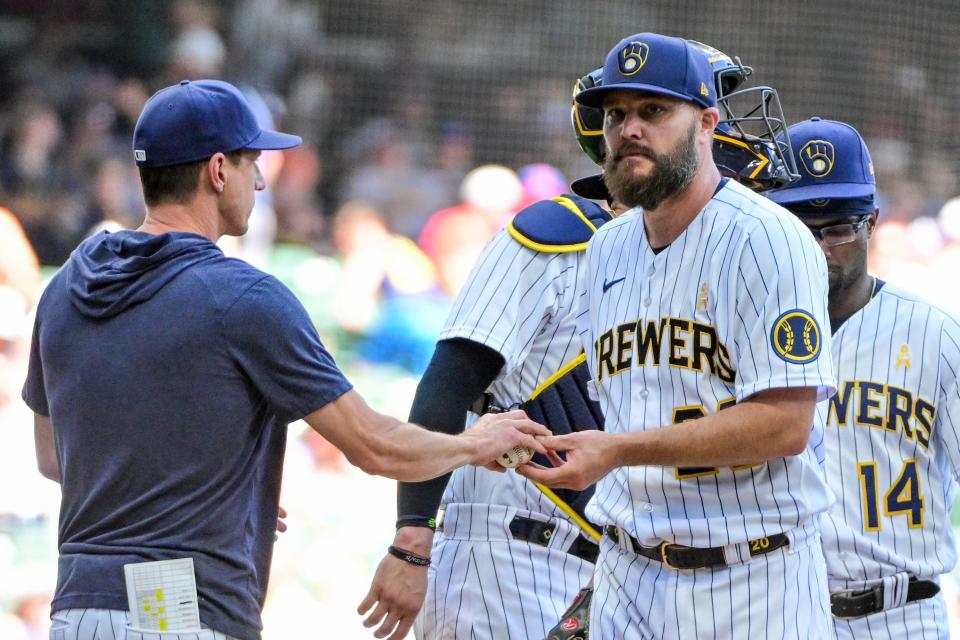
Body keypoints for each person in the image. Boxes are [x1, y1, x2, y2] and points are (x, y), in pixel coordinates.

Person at [21, 79, 549, 640]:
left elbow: (54, 459)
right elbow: (373, 445)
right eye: (253, 161)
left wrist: (208, 489)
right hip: (173, 608)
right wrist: (475, 443)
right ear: (218, 170)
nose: (261, 179)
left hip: (76, 607)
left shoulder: (68, 286)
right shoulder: (242, 297)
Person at [518, 33, 837, 639]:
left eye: (654, 111)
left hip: (751, 581)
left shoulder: (768, 238)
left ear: (707, 124)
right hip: (624, 573)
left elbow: (785, 425)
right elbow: (620, 410)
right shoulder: (607, 247)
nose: (629, 129)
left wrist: (617, 450)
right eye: (617, 115)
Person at [356, 75, 623, 639]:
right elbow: (446, 386)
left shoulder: (668, 263)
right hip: (505, 558)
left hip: (597, 570)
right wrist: (411, 542)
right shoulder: (553, 237)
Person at [768, 117, 960, 639]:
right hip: (780, 613)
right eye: (801, 228)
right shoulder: (748, 334)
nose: (821, 247)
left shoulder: (935, 334)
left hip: (902, 611)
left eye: (839, 228)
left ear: (872, 221)